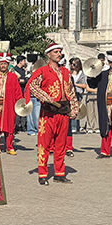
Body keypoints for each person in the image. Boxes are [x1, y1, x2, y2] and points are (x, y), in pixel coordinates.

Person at [27, 43, 78, 185]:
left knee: (61, 144)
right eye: (56, 52)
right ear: (48, 54)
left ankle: (59, 173)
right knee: (44, 144)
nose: (59, 54)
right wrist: (44, 96)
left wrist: (74, 108)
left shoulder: (66, 72)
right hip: (48, 112)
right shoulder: (42, 71)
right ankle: (42, 174)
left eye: (60, 52)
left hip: (63, 111)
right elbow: (31, 85)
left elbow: (71, 92)